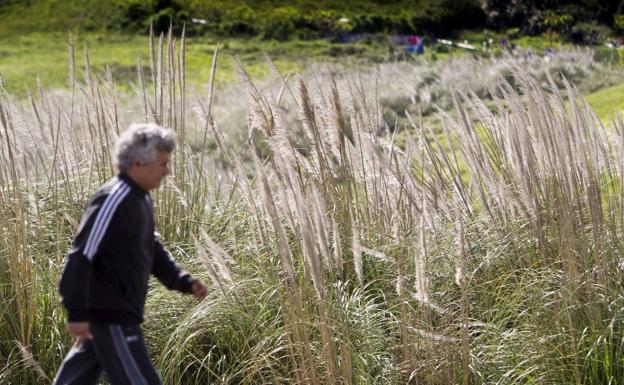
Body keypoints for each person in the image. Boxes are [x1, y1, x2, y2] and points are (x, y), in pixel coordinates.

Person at [53, 123, 208, 385]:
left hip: (111, 314)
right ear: (137, 162)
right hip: (110, 315)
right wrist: (76, 311)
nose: (167, 171)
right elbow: (81, 254)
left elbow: (153, 250)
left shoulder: (141, 199)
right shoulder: (114, 198)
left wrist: (183, 280)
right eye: (162, 163)